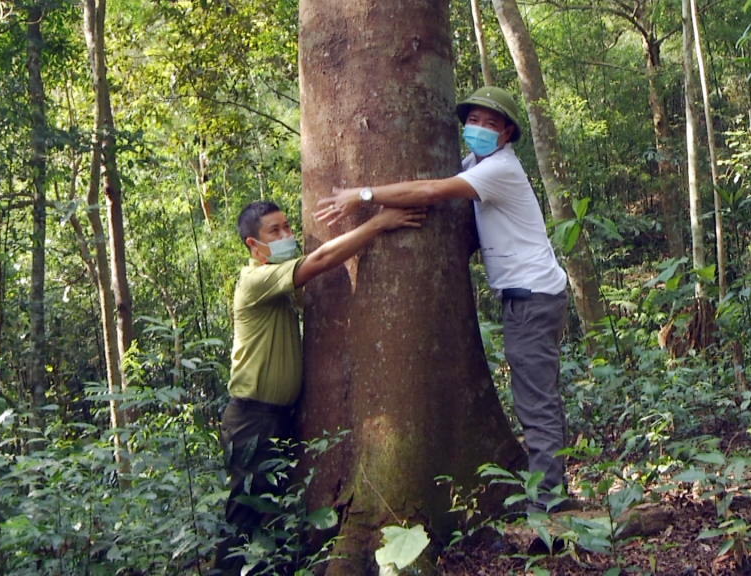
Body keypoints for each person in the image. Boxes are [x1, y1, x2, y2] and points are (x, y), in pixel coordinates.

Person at [315, 86, 570, 513]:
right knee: (537, 394)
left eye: (491, 124)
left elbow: (432, 190)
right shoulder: (478, 163)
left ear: (507, 133)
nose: (480, 129)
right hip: (529, 295)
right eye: (473, 121)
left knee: (535, 399)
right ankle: (549, 491)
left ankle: (549, 503)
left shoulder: (499, 170)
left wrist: (362, 195)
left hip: (533, 297)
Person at [219, 200, 424, 569]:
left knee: (275, 511)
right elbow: (318, 262)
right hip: (252, 419)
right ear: (253, 245)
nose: (287, 235)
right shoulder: (255, 280)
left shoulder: (279, 281)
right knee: (244, 516)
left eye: (287, 227)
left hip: (279, 417)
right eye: (275, 231)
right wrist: (378, 223)